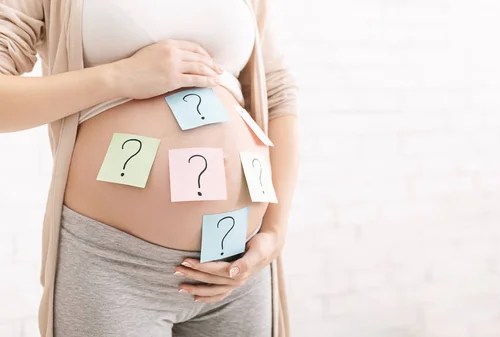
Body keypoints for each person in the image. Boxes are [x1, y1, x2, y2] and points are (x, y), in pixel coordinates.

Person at [0, 0, 299, 336]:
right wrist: (119, 77)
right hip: (112, 265)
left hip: (236, 264)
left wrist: (274, 232)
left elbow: (278, 96)